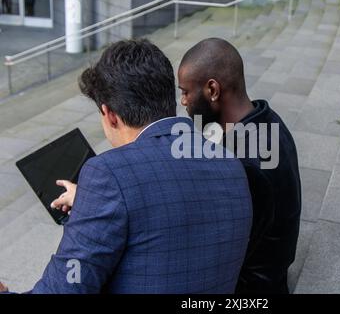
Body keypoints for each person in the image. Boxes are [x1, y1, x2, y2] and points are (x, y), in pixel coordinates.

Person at [0, 39, 253, 294]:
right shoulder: (230, 163)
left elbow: (65, 288)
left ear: (109, 114)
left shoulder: (108, 174)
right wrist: (93, 203)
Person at [178, 38, 302, 294]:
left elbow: (210, 237)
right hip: (271, 271)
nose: (183, 101)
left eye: (186, 91)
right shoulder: (268, 119)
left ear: (212, 90)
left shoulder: (242, 164)